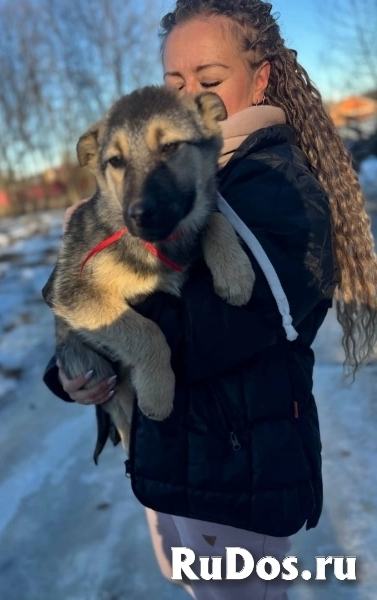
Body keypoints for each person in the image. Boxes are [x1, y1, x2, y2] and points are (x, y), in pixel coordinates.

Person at [43, 1, 377, 598]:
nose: (186, 95)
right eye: (173, 82)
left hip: (238, 482)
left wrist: (91, 280)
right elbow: (98, 296)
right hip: (170, 463)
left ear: (261, 78)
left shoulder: (277, 183)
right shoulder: (180, 174)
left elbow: (211, 327)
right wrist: (74, 366)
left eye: (209, 79)